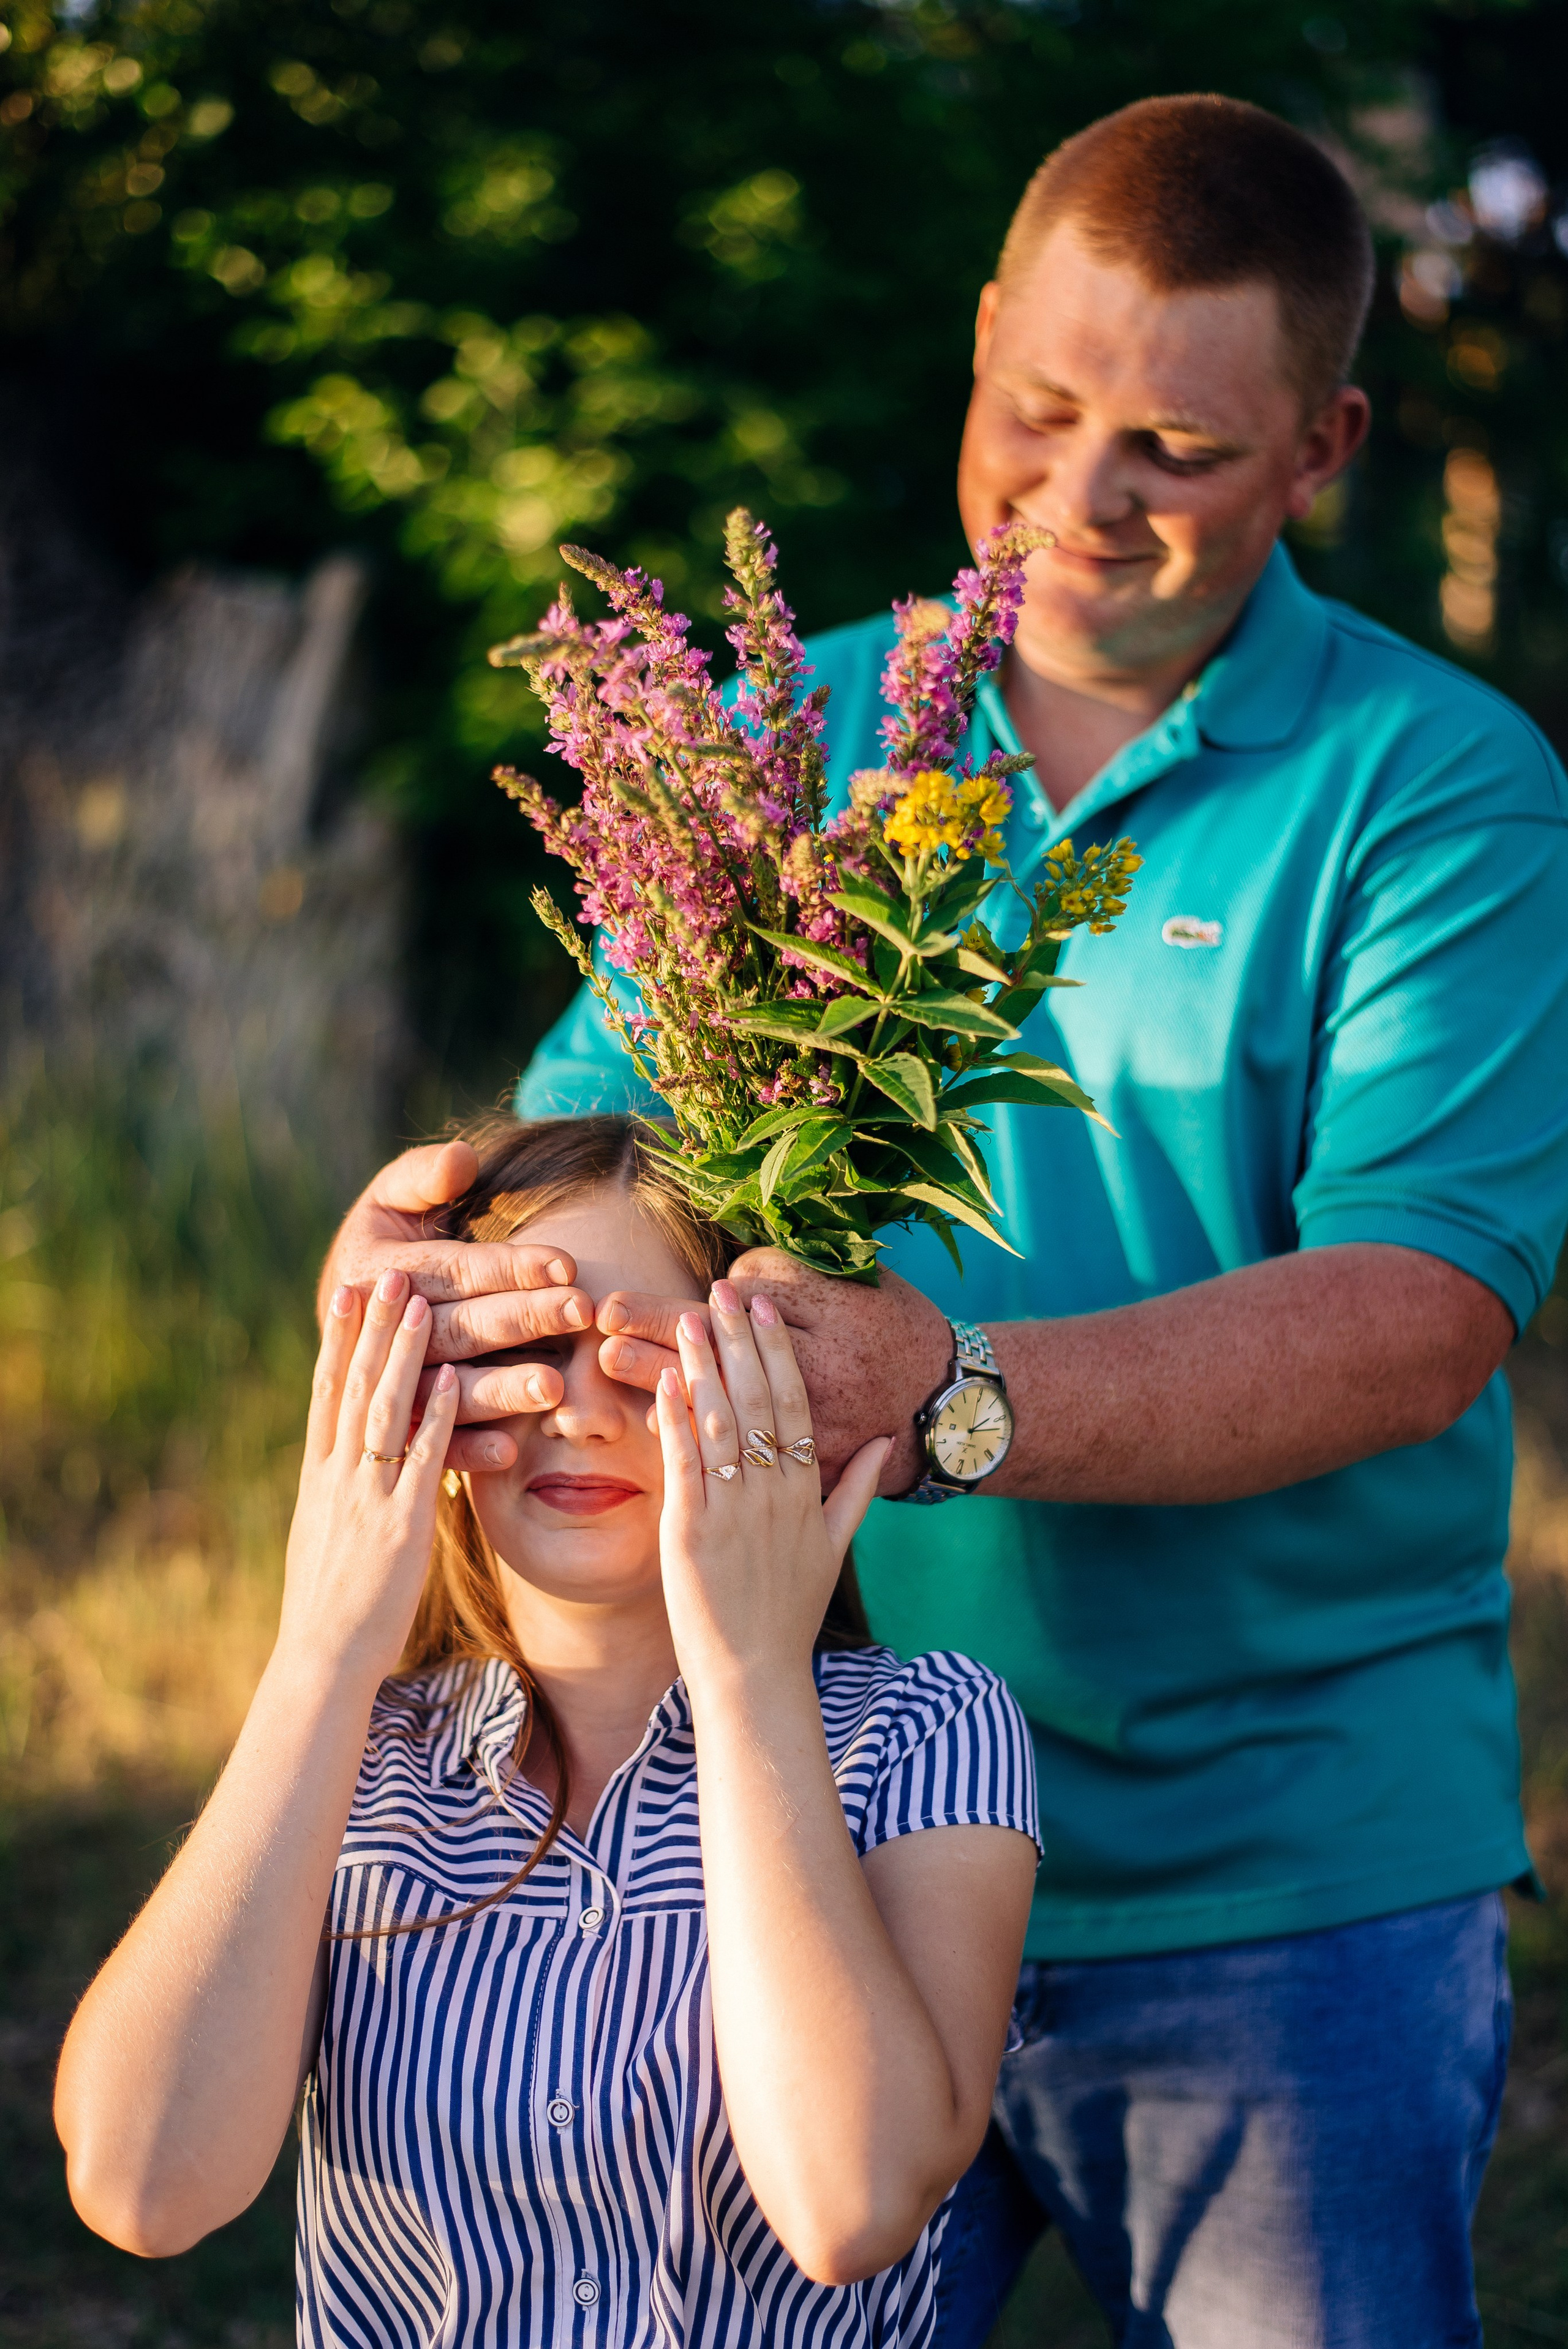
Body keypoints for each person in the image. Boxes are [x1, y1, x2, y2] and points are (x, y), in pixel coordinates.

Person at [315, 96, 1568, 2348]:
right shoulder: (780, 733)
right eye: (1044, 408)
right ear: (981, 336)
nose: (1082, 497)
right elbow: (600, 1162)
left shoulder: (1440, 786)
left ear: (1323, 447)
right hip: (823, 1810)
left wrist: (951, 1391)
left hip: (1275, 1867)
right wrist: (431, 1232)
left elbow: (1416, 1313)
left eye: (1180, 448)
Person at [55, 1117, 1041, 2349]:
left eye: (646, 1358)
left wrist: (746, 1676)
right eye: (524, 1349)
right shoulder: (360, 1752)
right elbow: (142, 2185)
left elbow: (850, 2205)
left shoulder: (927, 1731)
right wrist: (321, 1647)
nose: (574, 1412)